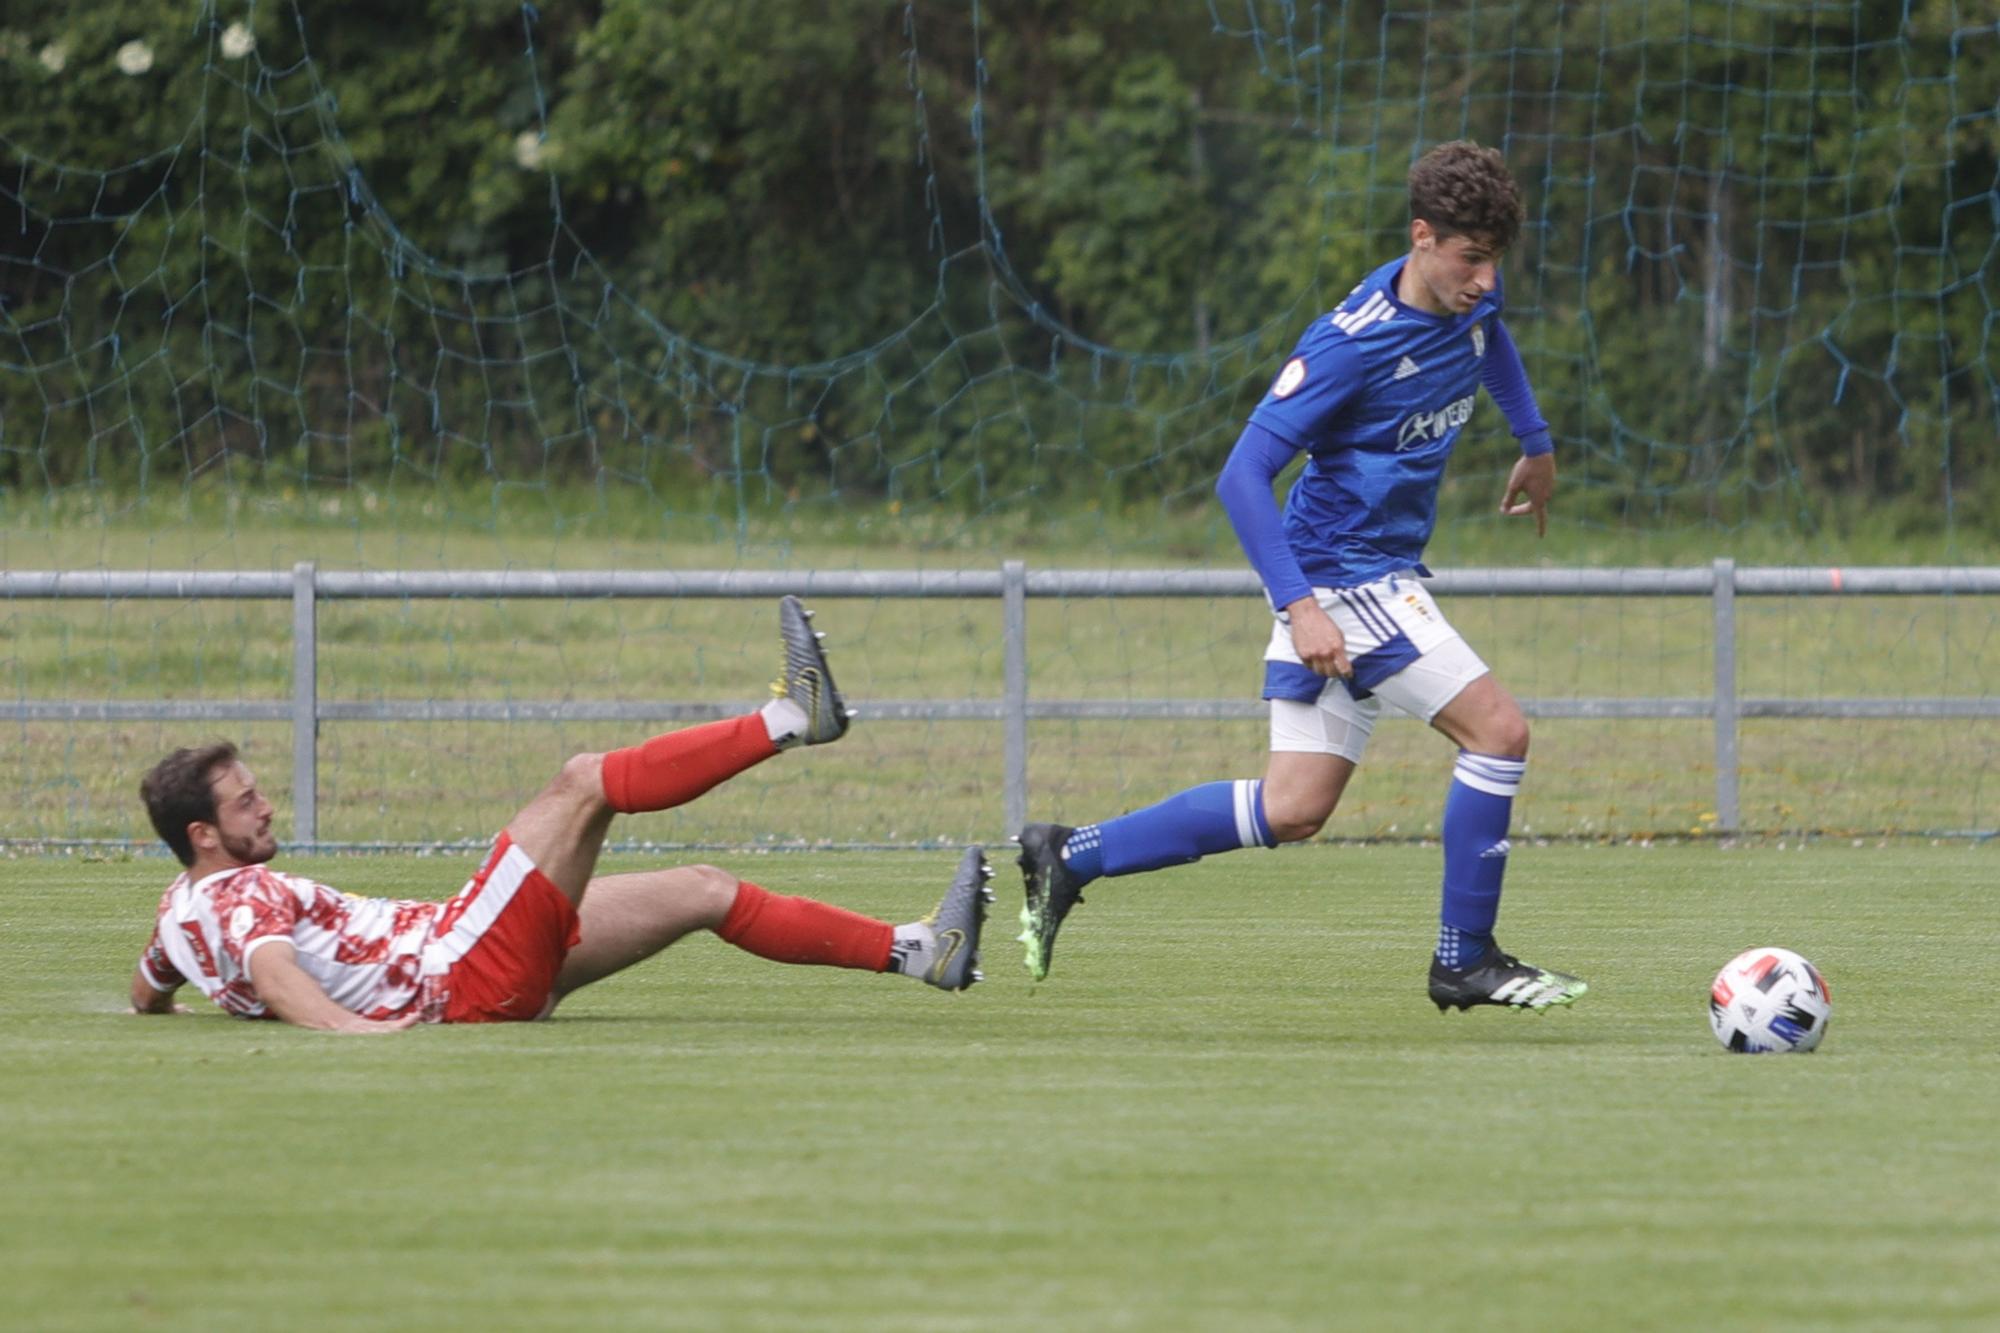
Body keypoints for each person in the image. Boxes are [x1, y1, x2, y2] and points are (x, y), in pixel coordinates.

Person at [1015, 141, 1587, 1013]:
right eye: (1471, 259)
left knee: (1293, 807)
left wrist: (1534, 440)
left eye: (1496, 260)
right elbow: (1241, 477)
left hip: (1363, 577)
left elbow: (1490, 337)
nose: (1485, 280)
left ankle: (1070, 853)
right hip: (1344, 578)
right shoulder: (1346, 349)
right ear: (1421, 237)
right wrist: (1301, 606)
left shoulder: (1472, 293)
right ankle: (1464, 959)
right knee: (1500, 733)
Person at [129, 597, 992, 1031]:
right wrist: (357, 1037)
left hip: (465, 957)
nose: (264, 802)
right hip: (459, 966)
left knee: (702, 888)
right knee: (583, 781)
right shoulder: (239, 898)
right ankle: (795, 718)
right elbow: (277, 976)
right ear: (203, 835)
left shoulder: (180, 913)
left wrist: (162, 1003)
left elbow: (147, 990)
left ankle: (920, 953)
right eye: (244, 801)